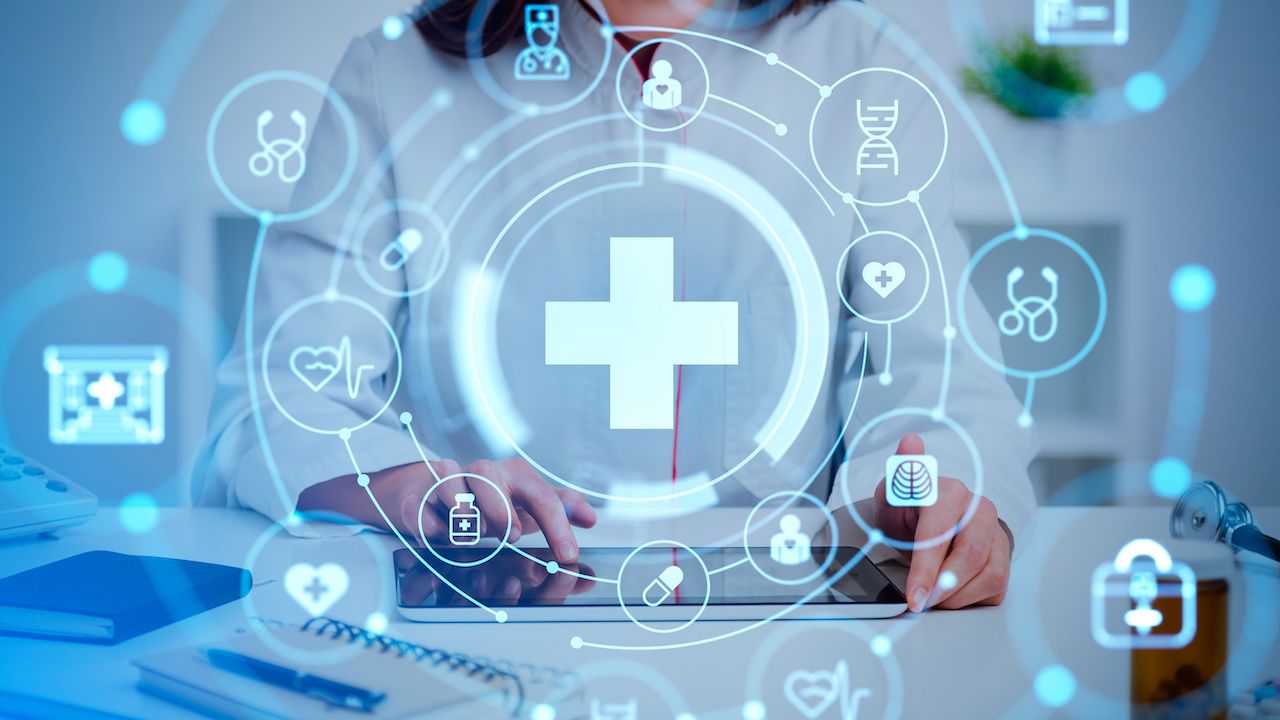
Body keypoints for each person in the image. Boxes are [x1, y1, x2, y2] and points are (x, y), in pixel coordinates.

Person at [196, 0, 1037, 613]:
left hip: (785, 623)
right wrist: (403, 485)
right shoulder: (393, 75)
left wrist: (948, 493)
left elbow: (941, 374)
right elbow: (277, 399)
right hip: (485, 625)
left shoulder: (862, 62)